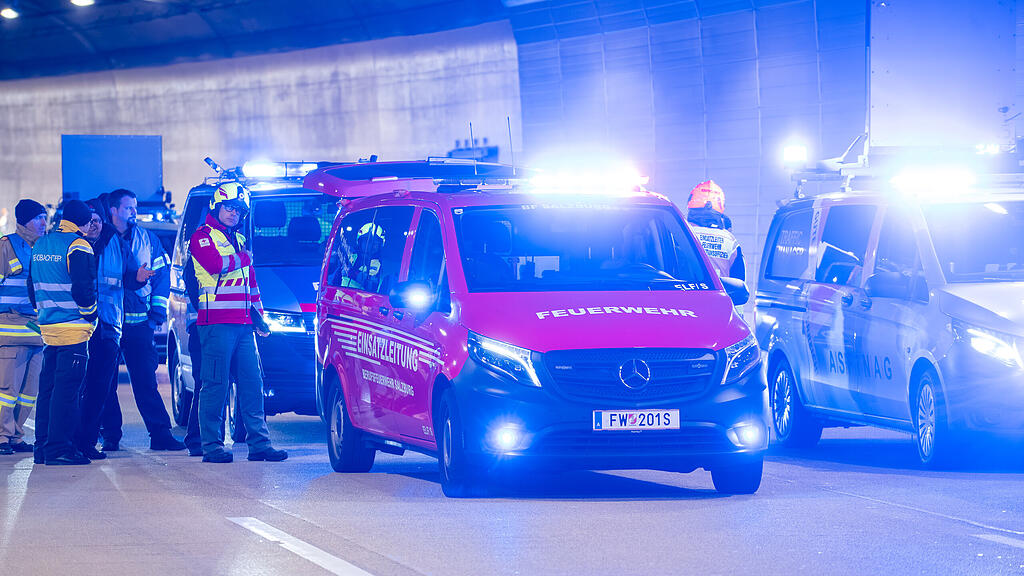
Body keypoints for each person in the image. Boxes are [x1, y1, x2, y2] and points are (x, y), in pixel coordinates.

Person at [189, 182, 285, 463]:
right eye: (229, 208)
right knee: (215, 384)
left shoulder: (239, 241)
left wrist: (261, 317)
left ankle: (259, 444)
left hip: (244, 324)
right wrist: (243, 258)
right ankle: (212, 447)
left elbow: (251, 285)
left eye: (239, 210)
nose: (234, 214)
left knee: (253, 383)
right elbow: (215, 266)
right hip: (216, 323)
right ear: (217, 207)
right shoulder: (202, 237)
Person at [99, 188, 183, 451]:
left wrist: (157, 313)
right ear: (113, 210)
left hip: (138, 324)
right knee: (105, 384)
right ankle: (110, 435)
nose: (134, 212)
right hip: (107, 324)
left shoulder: (148, 239)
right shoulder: (100, 239)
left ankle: (160, 434)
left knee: (146, 382)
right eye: (128, 207)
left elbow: (161, 277)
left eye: (135, 207)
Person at [74, 203, 155, 460]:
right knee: (76, 388)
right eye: (89, 220)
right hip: (76, 328)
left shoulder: (116, 243)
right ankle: (71, 441)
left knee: (99, 388)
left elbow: (129, 276)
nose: (94, 224)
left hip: (107, 327)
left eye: (97, 219)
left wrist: (139, 277)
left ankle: (86, 443)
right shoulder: (73, 244)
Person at [27, 199, 97, 465]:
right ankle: (59, 449)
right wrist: (91, 314)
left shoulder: (41, 243)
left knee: (48, 389)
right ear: (86, 222)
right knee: (67, 392)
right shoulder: (78, 245)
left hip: (48, 327)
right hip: (73, 329)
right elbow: (83, 288)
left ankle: (42, 448)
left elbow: (31, 287)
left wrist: (45, 311)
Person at [0, 200, 48, 455]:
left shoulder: (43, 248)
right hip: (11, 332)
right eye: (39, 217)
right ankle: (2, 437)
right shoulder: (6, 247)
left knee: (29, 392)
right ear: (24, 221)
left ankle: (16, 436)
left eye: (45, 217)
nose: (44, 223)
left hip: (37, 333)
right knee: (7, 390)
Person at [686, 180, 745, 281]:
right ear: (721, 205)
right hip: (718, 296)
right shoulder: (730, 241)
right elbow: (739, 282)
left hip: (684, 294)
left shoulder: (682, 232)